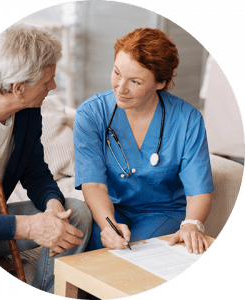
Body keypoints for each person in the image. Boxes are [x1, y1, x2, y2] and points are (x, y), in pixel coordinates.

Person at [0, 23, 92, 294]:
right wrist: (28, 227)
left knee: (76, 215)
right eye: (47, 80)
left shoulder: (27, 110)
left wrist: (52, 207)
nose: (54, 85)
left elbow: (35, 171)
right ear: (19, 87)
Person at [74, 28, 215, 255]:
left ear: (160, 83)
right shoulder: (91, 114)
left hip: (162, 212)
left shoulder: (187, 119)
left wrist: (192, 223)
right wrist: (108, 225)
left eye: (135, 82)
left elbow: (198, 189)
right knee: (87, 249)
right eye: (117, 73)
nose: (120, 89)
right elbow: (94, 184)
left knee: (131, 255)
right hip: (112, 210)